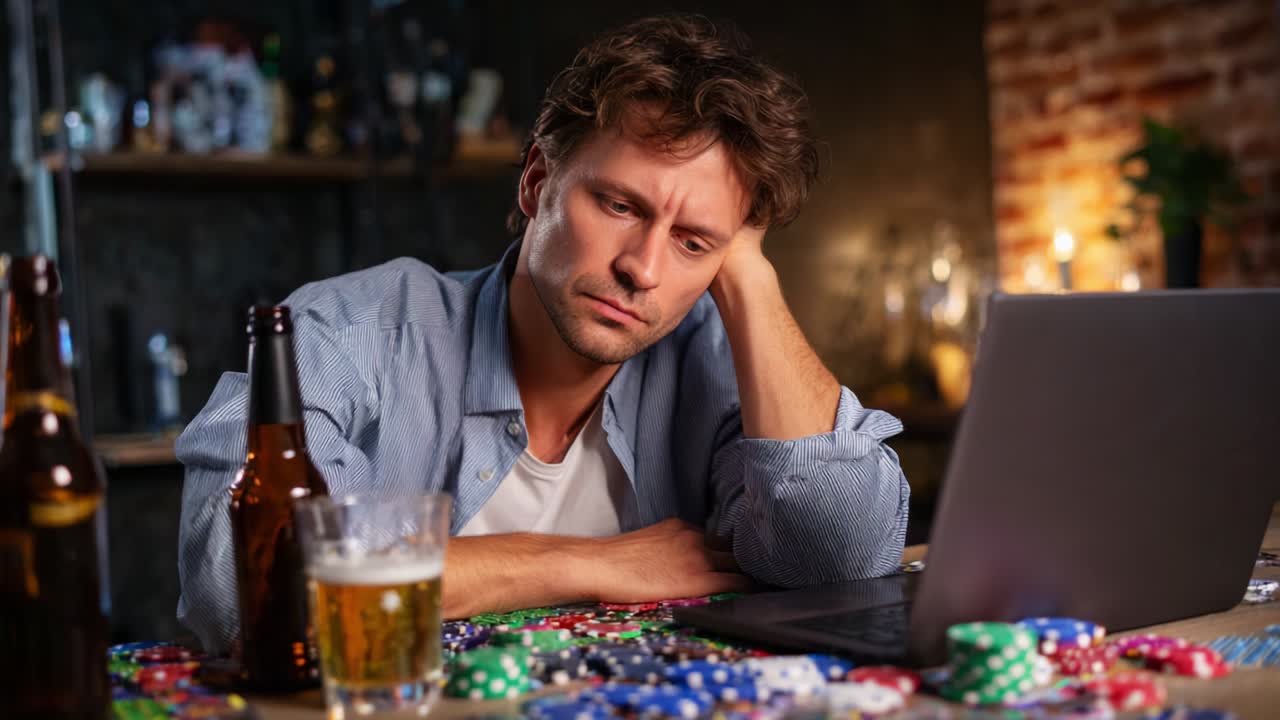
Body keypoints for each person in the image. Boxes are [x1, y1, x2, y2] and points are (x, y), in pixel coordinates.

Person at [176, 13, 909, 655]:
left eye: (693, 242)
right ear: (536, 183)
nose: (643, 270)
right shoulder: (351, 333)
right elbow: (248, 585)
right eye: (620, 205)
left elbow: (841, 562)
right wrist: (589, 562)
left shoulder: (715, 359)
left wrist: (750, 278)